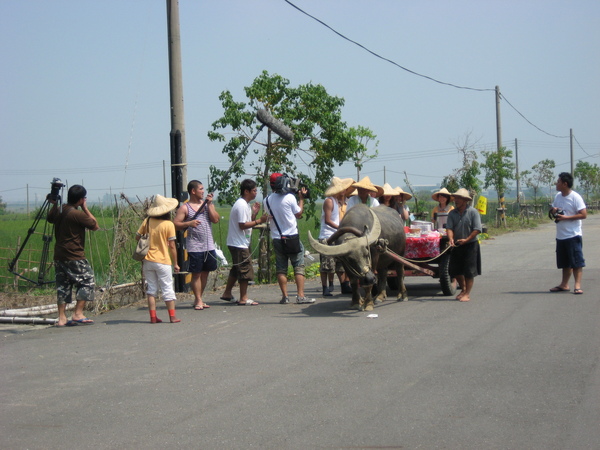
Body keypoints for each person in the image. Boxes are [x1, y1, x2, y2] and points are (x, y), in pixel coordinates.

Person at [47, 185, 99, 327]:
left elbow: (49, 218)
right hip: (74, 255)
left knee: (63, 286)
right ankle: (77, 313)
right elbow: (95, 225)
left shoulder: (60, 210)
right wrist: (86, 208)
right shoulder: (77, 214)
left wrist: (54, 204)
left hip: (59, 255)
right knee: (88, 281)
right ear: (81, 199)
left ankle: (62, 318)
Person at [264, 173, 316, 304]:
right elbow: (298, 214)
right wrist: (301, 198)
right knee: (298, 266)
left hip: (277, 238)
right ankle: (300, 296)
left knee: (281, 268)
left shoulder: (266, 200)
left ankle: (285, 296)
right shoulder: (290, 198)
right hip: (292, 237)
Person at [174, 180, 220, 310]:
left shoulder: (206, 205)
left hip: (209, 245)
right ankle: (198, 299)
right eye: (200, 189)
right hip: (195, 246)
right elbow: (176, 224)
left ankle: (199, 298)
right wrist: (189, 223)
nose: (203, 191)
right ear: (193, 191)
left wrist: (210, 205)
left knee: (206, 272)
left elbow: (215, 219)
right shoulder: (185, 207)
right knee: (196, 274)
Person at [220, 179, 267, 305]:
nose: (256, 193)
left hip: (239, 241)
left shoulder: (245, 205)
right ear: (246, 191)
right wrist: (259, 221)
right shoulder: (241, 205)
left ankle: (227, 293)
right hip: (238, 243)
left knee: (236, 269)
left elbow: (247, 222)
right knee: (245, 269)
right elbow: (242, 225)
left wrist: (254, 214)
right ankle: (244, 298)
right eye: (254, 190)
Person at [137, 195, 181, 323]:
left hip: (148, 260)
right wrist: (176, 263)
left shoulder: (148, 221)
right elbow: (172, 246)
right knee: (167, 288)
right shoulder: (169, 224)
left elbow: (137, 237)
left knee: (151, 289)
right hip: (163, 260)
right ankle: (172, 316)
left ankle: (152, 317)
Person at [549, 172, 587, 294]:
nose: (557, 183)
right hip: (561, 235)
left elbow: (583, 214)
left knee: (576, 261)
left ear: (565, 184)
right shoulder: (558, 196)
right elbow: (554, 210)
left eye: (559, 182)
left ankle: (577, 285)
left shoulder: (575, 197)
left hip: (573, 235)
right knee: (565, 262)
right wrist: (553, 210)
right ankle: (564, 284)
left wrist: (566, 218)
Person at [318, 177, 354, 296]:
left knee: (340, 263)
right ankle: (325, 288)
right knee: (326, 264)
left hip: (337, 234)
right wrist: (340, 229)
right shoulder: (329, 201)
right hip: (328, 236)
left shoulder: (338, 202)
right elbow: (328, 220)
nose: (343, 191)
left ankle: (344, 285)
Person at [446, 188, 482, 302]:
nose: (456, 200)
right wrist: (451, 239)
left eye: (459, 198)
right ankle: (463, 289)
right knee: (455, 270)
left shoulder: (473, 212)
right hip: (457, 245)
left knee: (469, 271)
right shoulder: (452, 213)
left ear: (465, 200)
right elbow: (449, 228)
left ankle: (467, 293)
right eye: (455, 198)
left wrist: (466, 239)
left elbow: (477, 229)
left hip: (470, 245)